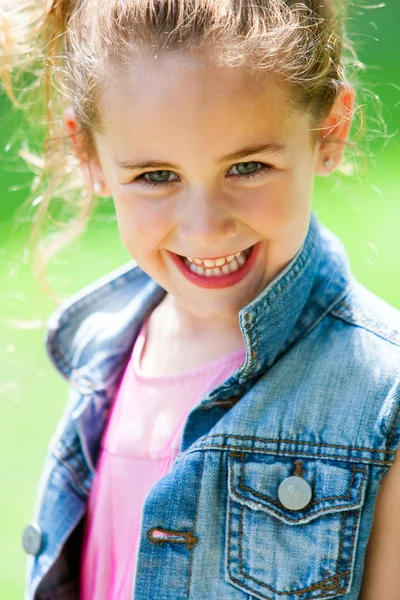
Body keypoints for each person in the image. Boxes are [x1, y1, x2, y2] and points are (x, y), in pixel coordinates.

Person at [1, 1, 400, 598]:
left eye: (247, 166)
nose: (205, 227)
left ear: (330, 132)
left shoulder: (382, 399)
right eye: (157, 176)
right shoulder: (102, 354)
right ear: (90, 156)